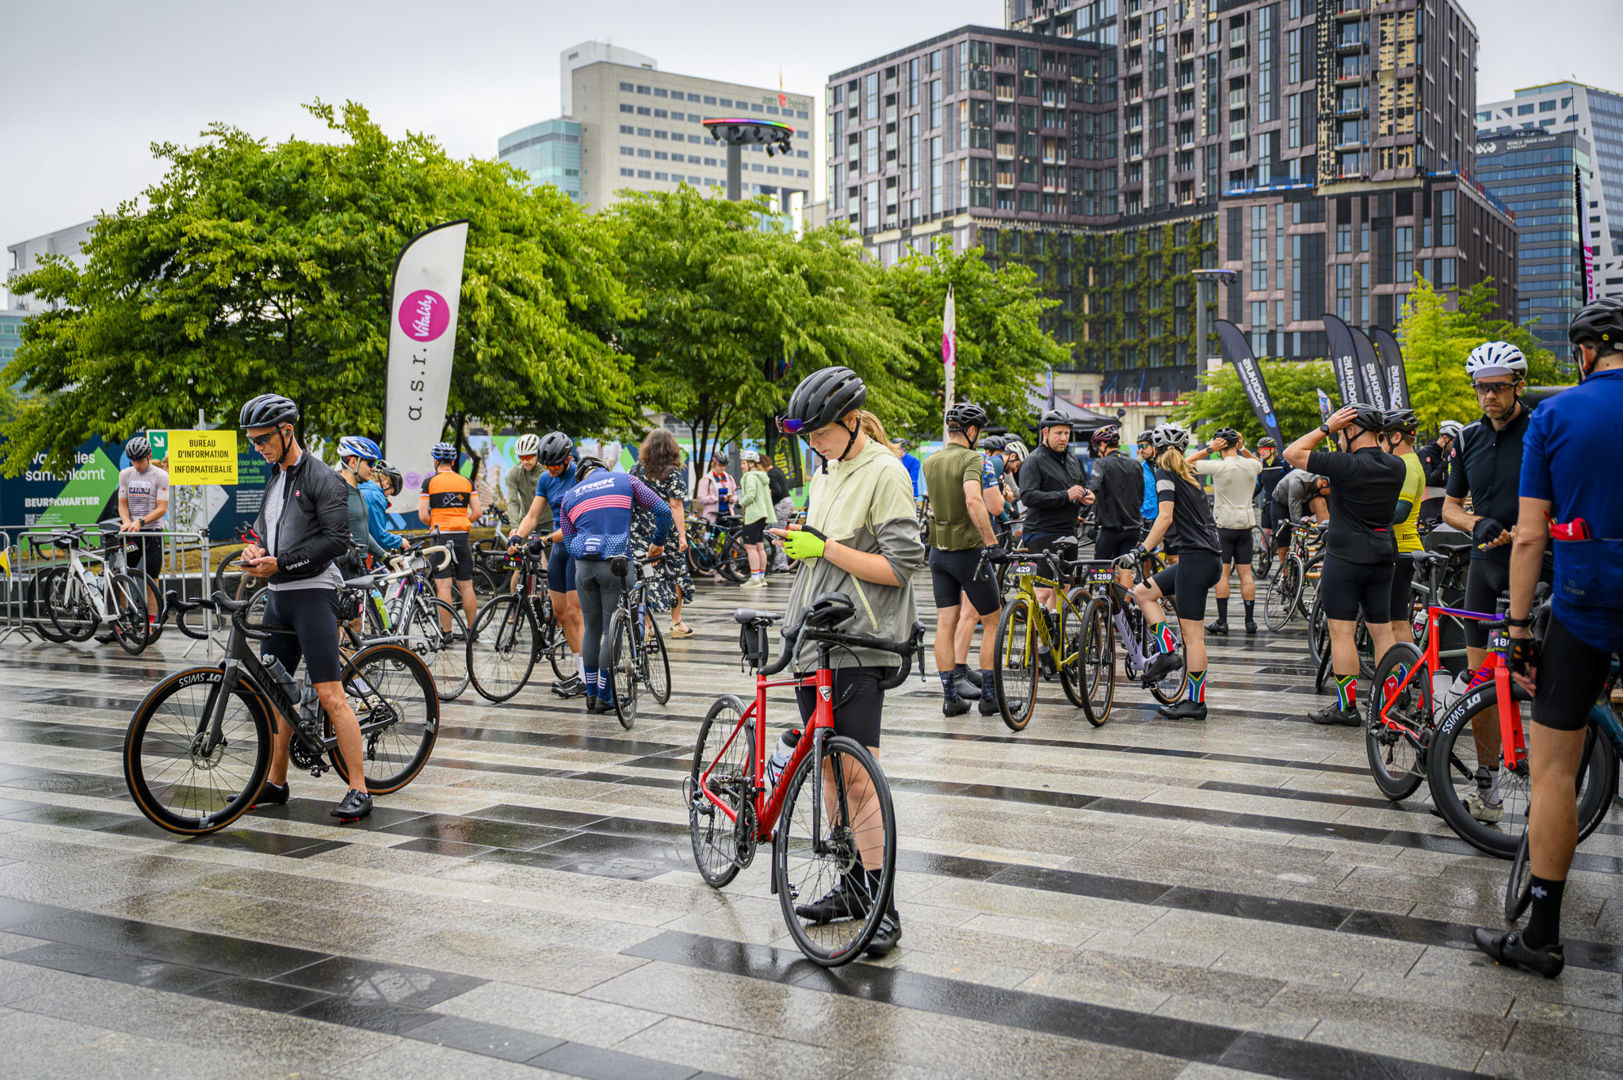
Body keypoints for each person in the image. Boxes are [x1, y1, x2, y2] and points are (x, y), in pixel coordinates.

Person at [1473, 296, 1623, 978]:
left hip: (1585, 604)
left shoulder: (1556, 414)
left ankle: (1541, 935)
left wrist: (1515, 628)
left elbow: (1529, 534)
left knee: (1553, 769)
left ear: (1583, 353)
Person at [769, 365, 923, 957]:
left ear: (852, 421)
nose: (813, 444)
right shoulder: (827, 470)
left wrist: (825, 547)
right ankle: (852, 886)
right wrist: (802, 545)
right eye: (807, 435)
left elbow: (901, 567)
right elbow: (826, 550)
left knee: (859, 774)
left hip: (862, 640)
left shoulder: (884, 471)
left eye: (821, 433)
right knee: (829, 769)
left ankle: (882, 903)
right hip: (816, 638)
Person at [236, 394, 372, 821]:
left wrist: (283, 562)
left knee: (329, 694)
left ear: (287, 430)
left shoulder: (322, 478)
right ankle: (276, 783)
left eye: (263, 439)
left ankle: (359, 788)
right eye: (252, 441)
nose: (258, 447)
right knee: (275, 696)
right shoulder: (275, 479)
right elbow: (263, 533)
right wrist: (254, 552)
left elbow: (335, 541)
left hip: (314, 593)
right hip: (279, 596)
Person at [1443, 342, 1542, 820]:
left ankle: (1549, 784)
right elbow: (1448, 506)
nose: (1489, 397)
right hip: (1483, 570)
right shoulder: (1467, 438)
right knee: (1482, 689)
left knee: (1541, 683)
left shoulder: (1542, 429)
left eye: (1499, 388)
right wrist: (1472, 523)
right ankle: (1487, 788)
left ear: (1518, 385)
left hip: (1538, 572)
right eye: (1482, 388)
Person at [1283, 404, 1405, 725]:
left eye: (1340, 434)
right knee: (1382, 632)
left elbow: (1292, 453)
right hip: (1382, 555)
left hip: (1345, 558)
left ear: (1351, 431)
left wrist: (1326, 426)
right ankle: (1388, 702)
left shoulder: (1344, 465)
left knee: (1341, 632)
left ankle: (1346, 707)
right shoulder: (1396, 465)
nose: (1336, 440)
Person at [558, 457, 671, 713]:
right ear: (602, 469)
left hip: (584, 568)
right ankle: (605, 697)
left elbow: (568, 540)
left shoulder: (570, 496)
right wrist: (658, 542)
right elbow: (663, 511)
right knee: (613, 631)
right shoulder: (625, 480)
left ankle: (590, 694)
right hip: (616, 565)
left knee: (593, 628)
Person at [1130, 423, 1222, 721]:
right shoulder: (1190, 473)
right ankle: (1168, 649)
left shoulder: (1164, 473)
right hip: (1204, 560)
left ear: (1155, 450)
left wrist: (1142, 550)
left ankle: (1196, 702)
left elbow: (1165, 517)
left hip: (1196, 560)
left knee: (1194, 637)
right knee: (1143, 592)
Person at [923, 402, 1003, 717]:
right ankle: (988, 697)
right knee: (992, 620)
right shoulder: (973, 458)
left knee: (945, 624)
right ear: (971, 431)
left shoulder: (930, 460)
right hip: (969, 552)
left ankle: (950, 697)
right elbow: (973, 498)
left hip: (938, 552)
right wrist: (992, 542)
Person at [510, 431, 588, 697]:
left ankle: (589, 677)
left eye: (555, 465)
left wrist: (543, 539)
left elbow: (576, 524)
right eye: (547, 465)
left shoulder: (580, 477)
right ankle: (580, 674)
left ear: (567, 460)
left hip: (576, 547)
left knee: (577, 613)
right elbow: (533, 514)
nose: (551, 470)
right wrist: (517, 535)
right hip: (557, 550)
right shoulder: (546, 478)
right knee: (560, 613)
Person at [1019, 410, 1086, 672]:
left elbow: (1079, 485)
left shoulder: (1070, 459)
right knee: (1044, 590)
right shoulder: (1034, 461)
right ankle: (1041, 649)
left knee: (1064, 588)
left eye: (1067, 434)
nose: (1063, 438)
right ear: (1045, 433)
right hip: (1041, 531)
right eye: (1058, 433)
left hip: (1068, 530)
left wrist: (1084, 495)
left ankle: (1053, 639)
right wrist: (1064, 496)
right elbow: (1028, 496)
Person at [1189, 428, 1263, 635]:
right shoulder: (1251, 465)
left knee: (1223, 574)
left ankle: (1222, 621)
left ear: (1220, 447)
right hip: (1246, 526)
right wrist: (1244, 448)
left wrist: (1208, 449)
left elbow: (1185, 463)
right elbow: (1259, 464)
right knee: (1246, 574)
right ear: (1236, 445)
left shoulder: (1219, 466)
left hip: (1223, 527)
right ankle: (1250, 622)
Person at [630, 428, 696, 638]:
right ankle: (676, 622)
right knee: (676, 573)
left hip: (639, 531)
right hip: (664, 530)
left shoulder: (635, 470)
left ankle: (647, 626)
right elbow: (675, 506)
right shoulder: (672, 473)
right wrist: (682, 535)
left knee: (644, 576)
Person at [418, 442, 480, 638]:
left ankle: (447, 632)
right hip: (462, 537)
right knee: (466, 584)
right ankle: (472, 630)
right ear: (453, 462)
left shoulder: (429, 483)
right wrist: (462, 521)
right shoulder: (467, 482)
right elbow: (477, 512)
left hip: (440, 536)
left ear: (436, 461)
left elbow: (422, 515)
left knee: (443, 586)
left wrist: (436, 523)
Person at [1379, 409, 1426, 656]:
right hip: (1400, 547)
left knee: (1395, 619)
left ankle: (1406, 676)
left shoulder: (1407, 466)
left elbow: (1400, 513)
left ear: (1396, 437)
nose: (1380, 443)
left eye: (1382, 438)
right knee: (1394, 617)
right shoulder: (1407, 462)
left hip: (1402, 548)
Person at [1082, 425, 1143, 592]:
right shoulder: (1135, 464)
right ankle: (1124, 613)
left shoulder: (1100, 464)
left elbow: (1093, 487)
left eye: (1097, 447)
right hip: (1133, 528)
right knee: (1125, 571)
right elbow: (1140, 496)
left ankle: (1104, 608)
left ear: (1103, 446)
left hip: (1110, 529)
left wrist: (1082, 510)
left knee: (1100, 571)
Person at [116, 435, 169, 620]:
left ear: (149, 455)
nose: (137, 464)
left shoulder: (161, 476)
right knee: (123, 575)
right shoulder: (125, 474)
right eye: (133, 460)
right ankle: (122, 618)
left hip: (152, 532)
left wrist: (141, 522)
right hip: (132, 534)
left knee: (151, 578)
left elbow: (162, 508)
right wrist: (127, 522)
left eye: (140, 460)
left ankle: (152, 620)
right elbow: (122, 504)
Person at [336, 436, 391, 564]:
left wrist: (385, 557)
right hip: (344, 567)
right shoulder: (336, 492)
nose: (373, 468)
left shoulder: (358, 492)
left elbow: (363, 533)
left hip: (359, 564)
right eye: (370, 463)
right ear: (353, 462)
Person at [1271, 467, 1331, 567]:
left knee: (1320, 501)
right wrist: (1298, 534)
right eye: (1331, 491)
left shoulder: (1323, 487)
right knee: (1284, 548)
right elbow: (1295, 514)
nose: (1330, 494)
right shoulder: (1298, 481)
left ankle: (1327, 541)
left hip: (1303, 501)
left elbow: (1330, 508)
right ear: (1324, 483)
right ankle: (1285, 578)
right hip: (1282, 504)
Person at [737, 449, 772, 589]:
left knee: (750, 547)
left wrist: (739, 503)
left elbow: (750, 495)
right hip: (762, 514)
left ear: (752, 464)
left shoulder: (750, 477)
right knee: (760, 546)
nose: (741, 466)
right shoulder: (760, 476)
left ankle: (754, 578)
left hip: (753, 515)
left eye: (744, 463)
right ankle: (762, 577)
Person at [1416, 419, 1462, 522]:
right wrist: (1443, 464)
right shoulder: (1425, 452)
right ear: (1445, 438)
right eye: (1455, 443)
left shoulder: (1445, 454)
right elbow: (1428, 480)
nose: (1456, 447)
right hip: (1428, 503)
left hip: (1443, 501)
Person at [360, 458, 407, 558]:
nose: (387, 497)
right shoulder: (376, 495)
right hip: (359, 554)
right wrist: (400, 541)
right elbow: (379, 537)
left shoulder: (360, 486)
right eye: (390, 492)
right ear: (386, 483)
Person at [1255, 437, 1284, 558]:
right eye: (1260, 449)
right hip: (1268, 503)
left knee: (1281, 534)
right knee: (1265, 532)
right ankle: (1263, 557)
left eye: (1264, 449)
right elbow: (1258, 485)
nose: (1261, 452)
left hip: (1280, 503)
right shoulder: (1261, 467)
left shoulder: (1282, 464)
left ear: (1272, 450)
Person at [767, 456, 795, 571]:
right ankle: (781, 564)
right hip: (788, 502)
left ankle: (780, 565)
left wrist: (770, 500)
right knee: (781, 534)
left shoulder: (771, 473)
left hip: (780, 506)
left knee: (777, 535)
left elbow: (777, 491)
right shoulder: (778, 470)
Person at [694, 450, 734, 524]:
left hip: (728, 514)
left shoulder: (729, 478)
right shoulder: (706, 480)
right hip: (712, 516)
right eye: (720, 466)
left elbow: (735, 494)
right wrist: (718, 498)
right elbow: (700, 498)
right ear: (714, 464)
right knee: (710, 535)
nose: (723, 468)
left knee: (734, 535)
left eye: (724, 466)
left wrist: (732, 499)